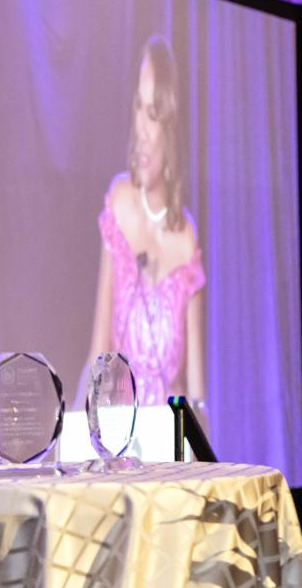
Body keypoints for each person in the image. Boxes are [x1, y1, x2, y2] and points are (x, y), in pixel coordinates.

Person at [83, 35, 206, 410]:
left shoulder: (186, 238)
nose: (142, 128)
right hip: (118, 434)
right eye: (138, 106)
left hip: (170, 438)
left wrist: (199, 438)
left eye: (153, 114)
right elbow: (98, 350)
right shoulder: (120, 203)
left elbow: (196, 393)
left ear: (173, 127)